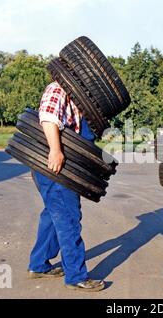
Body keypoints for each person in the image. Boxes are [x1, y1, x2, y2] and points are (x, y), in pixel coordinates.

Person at [27, 81, 104, 292]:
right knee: (68, 219)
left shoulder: (78, 95)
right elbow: (48, 117)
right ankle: (76, 276)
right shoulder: (58, 89)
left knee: (53, 216)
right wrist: (55, 150)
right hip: (57, 167)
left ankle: (39, 264)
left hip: (63, 169)